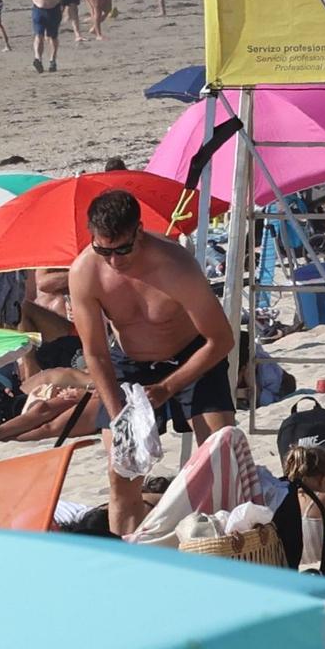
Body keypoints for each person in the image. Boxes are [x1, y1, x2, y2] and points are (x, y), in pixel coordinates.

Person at [65, 188, 235, 534]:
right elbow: (95, 353)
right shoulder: (85, 271)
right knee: (123, 472)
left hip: (191, 356)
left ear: (139, 231)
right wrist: (120, 417)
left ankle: (229, 554)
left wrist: (168, 387)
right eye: (104, 250)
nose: (114, 260)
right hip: (130, 363)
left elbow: (222, 340)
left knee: (221, 460)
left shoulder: (175, 265)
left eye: (123, 249)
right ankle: (128, 561)